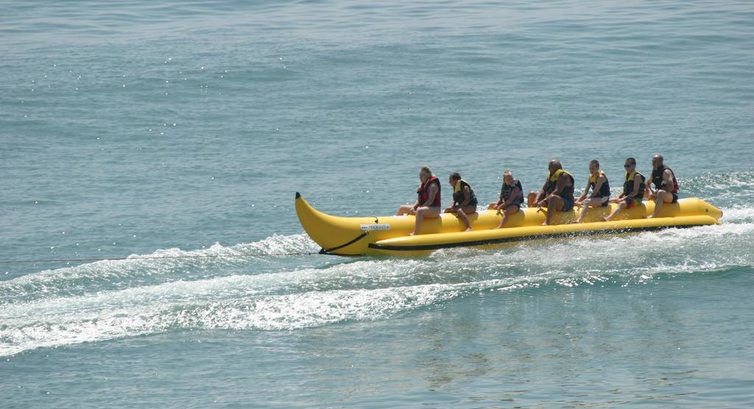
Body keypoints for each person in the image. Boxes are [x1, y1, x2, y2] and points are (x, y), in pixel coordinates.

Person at [396, 166, 442, 235]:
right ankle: (397, 229)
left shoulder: (433, 185)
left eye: (422, 175)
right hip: (424, 208)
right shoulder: (422, 184)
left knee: (420, 211)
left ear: (428, 175)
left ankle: (415, 233)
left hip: (435, 209)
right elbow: (419, 200)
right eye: (419, 175)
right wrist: (414, 207)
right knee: (402, 208)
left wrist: (418, 209)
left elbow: (430, 200)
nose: (420, 177)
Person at [602, 157, 646, 221]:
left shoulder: (637, 176)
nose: (626, 168)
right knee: (611, 200)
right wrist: (620, 197)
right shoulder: (627, 174)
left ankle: (609, 218)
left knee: (622, 204)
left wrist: (623, 199)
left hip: (637, 199)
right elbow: (626, 190)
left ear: (634, 166)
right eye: (625, 166)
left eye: (628, 166)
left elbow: (635, 192)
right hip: (629, 197)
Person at [534, 160, 575, 225]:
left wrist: (544, 201)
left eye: (550, 167)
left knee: (553, 198)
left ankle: (547, 222)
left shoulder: (564, 176)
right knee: (532, 194)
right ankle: (533, 213)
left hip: (566, 202)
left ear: (556, 168)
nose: (548, 169)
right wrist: (537, 200)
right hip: (550, 200)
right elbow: (543, 189)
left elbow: (557, 191)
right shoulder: (551, 175)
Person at [647, 154, 679, 218]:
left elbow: (671, 187)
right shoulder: (654, 171)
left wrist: (658, 191)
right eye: (652, 161)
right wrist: (650, 192)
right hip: (659, 193)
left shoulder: (666, 171)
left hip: (671, 195)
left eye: (654, 161)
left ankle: (654, 215)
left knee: (661, 192)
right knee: (644, 191)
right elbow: (647, 184)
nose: (652, 162)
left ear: (660, 162)